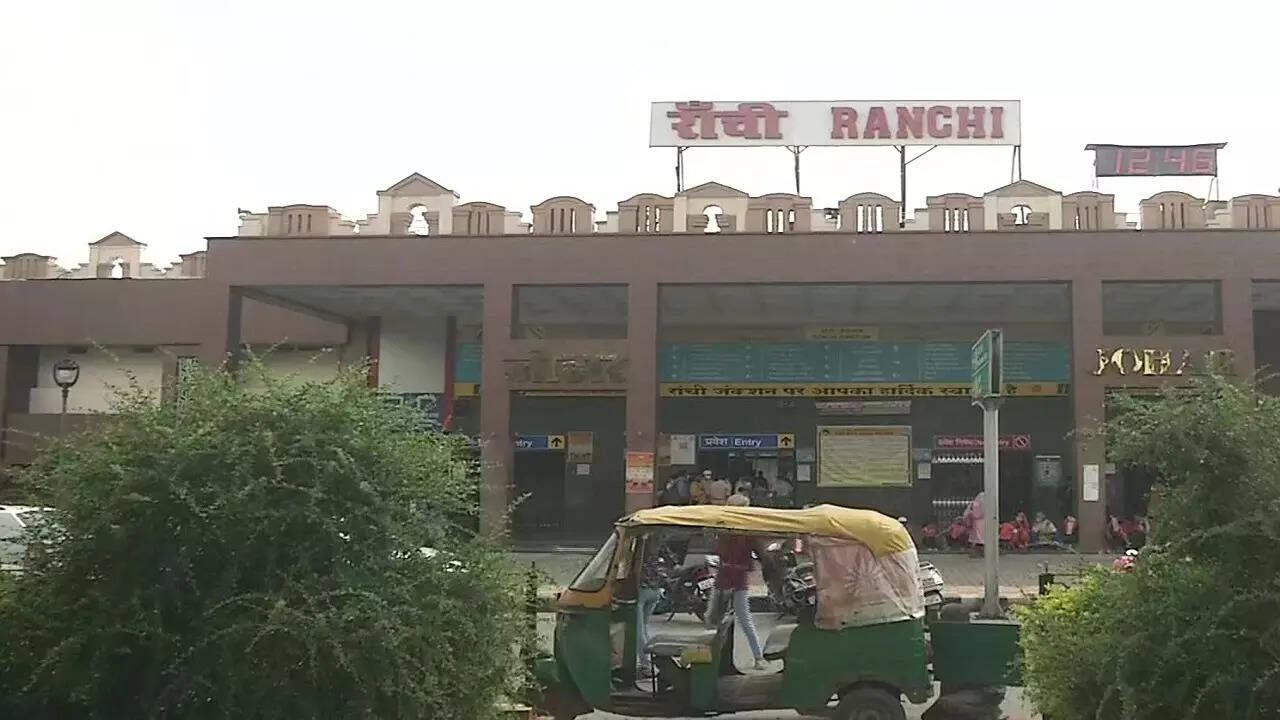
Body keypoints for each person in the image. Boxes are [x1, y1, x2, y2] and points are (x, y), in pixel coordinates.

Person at [706, 494, 766, 670]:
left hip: (728, 576)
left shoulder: (728, 528)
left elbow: (718, 550)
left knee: (722, 619)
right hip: (733, 576)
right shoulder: (743, 529)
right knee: (738, 618)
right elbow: (759, 552)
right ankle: (757, 658)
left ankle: (755, 657)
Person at [635, 536, 670, 677]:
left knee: (638, 630)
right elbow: (671, 561)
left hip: (642, 590)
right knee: (643, 627)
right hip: (655, 590)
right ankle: (650, 661)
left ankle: (646, 665)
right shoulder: (659, 542)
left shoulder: (639, 542)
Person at [963, 491, 986, 557]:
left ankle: (974, 553)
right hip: (984, 524)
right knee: (982, 540)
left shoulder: (975, 504)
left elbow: (970, 514)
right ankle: (982, 553)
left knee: (976, 540)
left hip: (976, 524)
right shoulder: (986, 504)